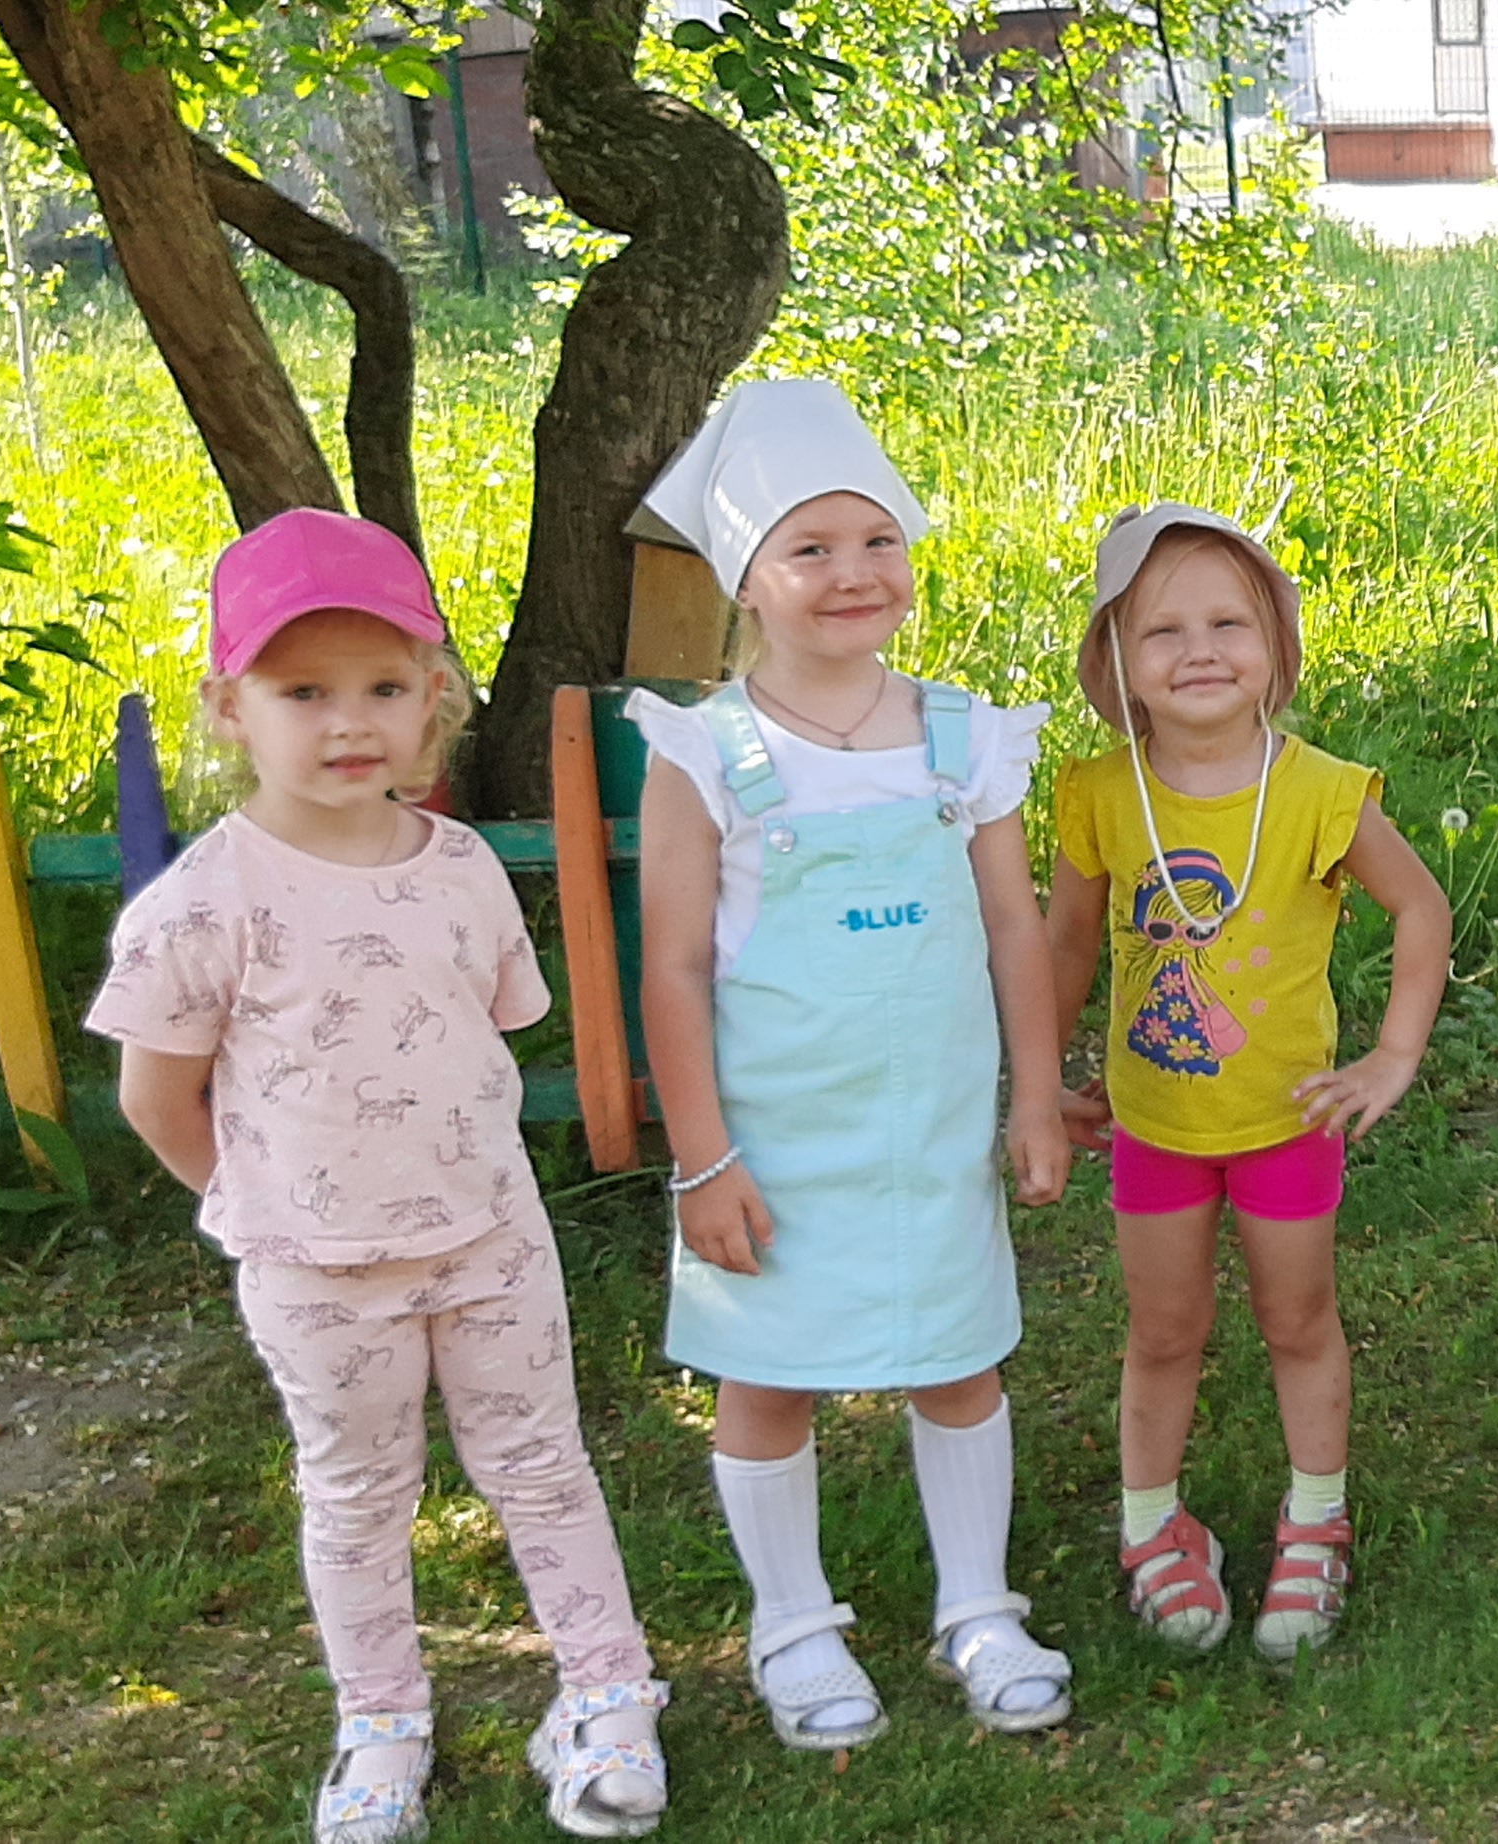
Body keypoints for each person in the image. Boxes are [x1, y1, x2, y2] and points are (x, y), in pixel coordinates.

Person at [93, 508, 669, 1841]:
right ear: (228, 706)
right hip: (316, 1275)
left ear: (431, 700)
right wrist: (254, 1207)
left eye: (383, 688)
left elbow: (491, 1030)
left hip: (491, 1244)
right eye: (304, 692)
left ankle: (604, 1692)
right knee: (357, 1496)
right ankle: (383, 1722)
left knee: (544, 1465)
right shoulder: (204, 903)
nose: (348, 722)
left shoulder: (462, 870)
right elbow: (155, 1097)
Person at [626, 379, 1075, 1747]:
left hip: (930, 1128)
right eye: (809, 549)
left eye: (878, 541)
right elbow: (674, 968)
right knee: (769, 1376)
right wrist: (703, 1158)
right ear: (744, 579)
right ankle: (793, 1625)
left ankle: (977, 1605)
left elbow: (1015, 927)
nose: (852, 573)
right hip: (769, 1145)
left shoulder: (961, 737)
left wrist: (1036, 1095)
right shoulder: (707, 751)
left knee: (958, 1359)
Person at [1041, 504, 1451, 1662]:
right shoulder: (1100, 793)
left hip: (1285, 1123)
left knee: (1297, 1319)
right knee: (1163, 1328)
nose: (1200, 650)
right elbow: (1066, 942)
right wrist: (1040, 1078)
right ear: (1115, 659)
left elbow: (1420, 907)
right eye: (1162, 630)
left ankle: (1316, 1516)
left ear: (1275, 643)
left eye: (1229, 622)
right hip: (1152, 1125)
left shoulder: (1321, 791)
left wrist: (1392, 1054)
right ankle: (1150, 1520)